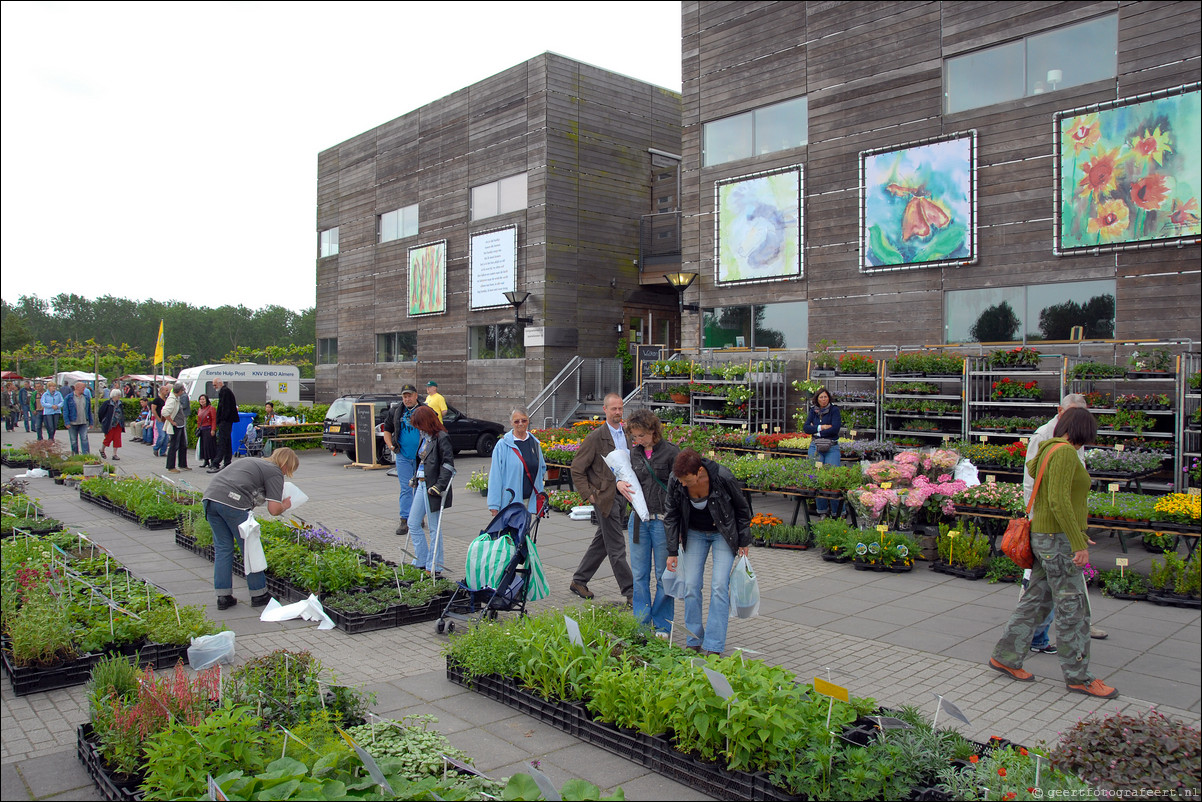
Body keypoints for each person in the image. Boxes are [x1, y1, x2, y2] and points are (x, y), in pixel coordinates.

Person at [989, 407, 1118, 699]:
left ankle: (1006, 657)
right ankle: (1079, 676)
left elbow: (1049, 495)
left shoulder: (1046, 449)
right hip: (1057, 541)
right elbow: (1059, 501)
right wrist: (1078, 542)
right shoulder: (1063, 453)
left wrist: (1077, 533)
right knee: (1074, 608)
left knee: (1036, 600)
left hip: (1046, 536)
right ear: (1081, 430)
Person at [1022, 394, 1107, 654]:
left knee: (1040, 593)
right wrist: (1076, 536)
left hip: (1053, 527)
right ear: (1060, 411)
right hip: (1052, 528)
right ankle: (1072, 658)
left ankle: (1020, 645)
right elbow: (1051, 494)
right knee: (1064, 594)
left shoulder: (1062, 444)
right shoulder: (1051, 441)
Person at [664, 448, 752, 655]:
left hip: (723, 533)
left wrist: (744, 540)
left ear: (700, 471)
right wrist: (672, 551)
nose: (683, 484)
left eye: (688, 480)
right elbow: (671, 514)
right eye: (681, 480)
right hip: (694, 533)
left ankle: (714, 644)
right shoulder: (675, 480)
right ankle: (693, 639)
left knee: (720, 586)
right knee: (691, 586)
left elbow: (742, 509)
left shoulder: (723, 477)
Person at [203, 447, 299, 610]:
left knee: (223, 549)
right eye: (288, 470)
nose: (285, 474)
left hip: (210, 499)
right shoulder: (275, 471)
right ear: (285, 465)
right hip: (233, 503)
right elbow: (274, 510)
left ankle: (223, 596)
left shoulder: (253, 461)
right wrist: (285, 505)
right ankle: (259, 594)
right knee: (249, 548)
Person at [569, 393, 634, 602]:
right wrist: (589, 494)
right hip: (605, 498)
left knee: (603, 542)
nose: (618, 412)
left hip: (623, 496)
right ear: (604, 410)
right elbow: (577, 469)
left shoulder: (627, 434)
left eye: (620, 408)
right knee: (617, 547)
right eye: (613, 409)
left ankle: (579, 580)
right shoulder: (596, 437)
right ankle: (632, 592)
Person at [623, 409, 680, 637]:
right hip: (639, 520)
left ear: (653, 431)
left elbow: (679, 490)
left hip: (663, 521)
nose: (638, 440)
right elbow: (626, 478)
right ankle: (641, 623)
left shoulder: (671, 453)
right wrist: (619, 484)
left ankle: (663, 624)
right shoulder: (634, 454)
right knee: (639, 574)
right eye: (634, 436)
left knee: (663, 575)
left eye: (642, 436)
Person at [406, 405, 454, 576]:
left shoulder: (441, 437)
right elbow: (421, 461)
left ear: (426, 422)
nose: (417, 428)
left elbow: (448, 464)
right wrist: (414, 477)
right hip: (421, 483)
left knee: (434, 527)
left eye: (419, 424)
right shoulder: (424, 437)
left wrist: (439, 486)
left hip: (433, 486)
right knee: (413, 522)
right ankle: (421, 558)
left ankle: (435, 565)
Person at [381, 384, 425, 535]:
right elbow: (387, 430)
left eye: (409, 396)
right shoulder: (396, 411)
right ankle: (404, 520)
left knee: (421, 488)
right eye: (404, 396)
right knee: (406, 488)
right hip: (403, 456)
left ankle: (418, 516)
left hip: (422, 458)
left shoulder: (425, 410)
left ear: (416, 395)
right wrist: (391, 446)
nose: (407, 399)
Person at [487, 407, 546, 516]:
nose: (520, 424)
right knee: (510, 532)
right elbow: (495, 476)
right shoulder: (503, 445)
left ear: (528, 421)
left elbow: (542, 467)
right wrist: (494, 505)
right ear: (511, 423)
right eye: (516, 421)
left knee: (528, 532)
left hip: (531, 501)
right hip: (510, 502)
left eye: (524, 420)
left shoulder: (534, 443)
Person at [802, 386, 842, 516]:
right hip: (815, 447)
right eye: (821, 397)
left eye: (825, 397)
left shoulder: (834, 410)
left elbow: (835, 429)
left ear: (828, 398)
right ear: (817, 399)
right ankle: (822, 512)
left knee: (833, 479)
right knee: (818, 478)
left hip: (831, 447)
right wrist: (822, 427)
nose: (823, 399)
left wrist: (817, 430)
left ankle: (838, 512)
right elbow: (806, 428)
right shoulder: (813, 411)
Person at [211, 378, 238, 472]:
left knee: (222, 441)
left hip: (225, 421)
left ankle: (216, 463)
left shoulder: (225, 392)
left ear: (219, 383)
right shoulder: (225, 391)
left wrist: (221, 419)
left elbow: (224, 408)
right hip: (227, 421)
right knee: (227, 441)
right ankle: (227, 462)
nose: (214, 387)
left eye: (215, 385)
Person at [163, 381, 191, 473]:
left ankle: (183, 464)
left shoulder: (176, 398)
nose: (183, 392)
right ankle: (171, 466)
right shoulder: (172, 400)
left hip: (180, 425)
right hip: (176, 426)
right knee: (174, 446)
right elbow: (164, 412)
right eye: (182, 390)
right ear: (179, 391)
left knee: (183, 445)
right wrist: (172, 421)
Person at [63, 381, 94, 455]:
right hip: (73, 422)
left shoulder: (86, 397)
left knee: (84, 439)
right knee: (73, 441)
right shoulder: (69, 398)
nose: (84, 389)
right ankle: (75, 455)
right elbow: (65, 410)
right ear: (77, 387)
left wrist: (91, 422)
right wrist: (66, 422)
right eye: (83, 387)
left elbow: (89, 410)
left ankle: (86, 455)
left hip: (83, 422)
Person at [98, 389, 125, 460]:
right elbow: (101, 412)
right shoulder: (107, 403)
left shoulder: (120, 403)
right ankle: (102, 449)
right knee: (108, 438)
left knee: (117, 439)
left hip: (118, 423)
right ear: (114, 395)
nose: (119, 396)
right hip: (110, 424)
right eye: (118, 395)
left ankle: (114, 454)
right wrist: (103, 421)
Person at [196, 394, 217, 468]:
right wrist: (198, 429)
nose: (202, 401)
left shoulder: (211, 408)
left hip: (209, 429)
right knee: (204, 446)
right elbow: (198, 421)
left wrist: (213, 429)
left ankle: (212, 461)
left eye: (203, 399)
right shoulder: (199, 409)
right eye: (200, 399)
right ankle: (206, 460)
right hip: (202, 430)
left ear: (207, 400)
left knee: (210, 446)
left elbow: (214, 419)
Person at [152, 384, 170, 457]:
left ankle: (163, 451)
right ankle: (156, 448)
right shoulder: (156, 400)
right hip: (160, 420)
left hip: (166, 419)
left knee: (166, 437)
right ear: (161, 391)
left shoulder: (167, 400)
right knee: (162, 435)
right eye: (166, 390)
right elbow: (153, 409)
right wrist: (158, 418)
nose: (167, 392)